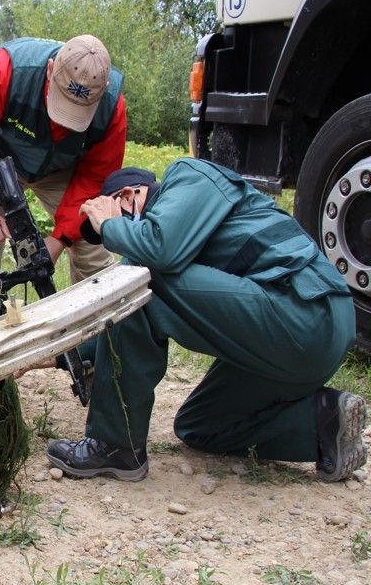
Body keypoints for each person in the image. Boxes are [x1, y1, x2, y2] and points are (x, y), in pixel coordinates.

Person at [45, 158, 367, 482]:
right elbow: (125, 321)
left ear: (129, 196)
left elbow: (158, 253)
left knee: (136, 276)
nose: (108, 236)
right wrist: (60, 353)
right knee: (199, 425)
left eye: (105, 220)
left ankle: (114, 445)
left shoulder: (190, 176)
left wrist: (112, 225)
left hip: (306, 310)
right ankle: (323, 423)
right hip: (289, 340)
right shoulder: (178, 239)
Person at [0, 35, 127, 283]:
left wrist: (59, 239)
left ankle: (97, 314)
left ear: (103, 89)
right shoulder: (7, 69)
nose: (63, 121)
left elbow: (94, 178)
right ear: (51, 69)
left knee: (92, 237)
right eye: (61, 101)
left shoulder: (112, 108)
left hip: (60, 169)